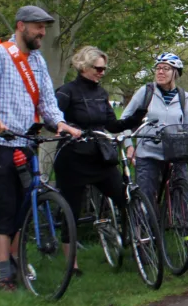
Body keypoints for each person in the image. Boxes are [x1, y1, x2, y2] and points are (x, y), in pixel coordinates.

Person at [0, 6, 82, 291]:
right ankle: (4, 276)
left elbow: (47, 102)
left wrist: (60, 124)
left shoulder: (38, 61)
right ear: (21, 26)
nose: (42, 32)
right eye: (37, 27)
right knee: (3, 208)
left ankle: (15, 263)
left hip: (26, 143)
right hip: (0, 144)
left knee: (22, 207)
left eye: (44, 27)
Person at [54, 46, 145, 275]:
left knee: (124, 197)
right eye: (98, 68)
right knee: (71, 211)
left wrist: (135, 118)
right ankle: (71, 265)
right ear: (83, 67)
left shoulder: (101, 93)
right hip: (73, 158)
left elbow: (111, 124)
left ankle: (132, 245)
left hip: (100, 156)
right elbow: (52, 119)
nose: (102, 73)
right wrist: (68, 130)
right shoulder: (67, 92)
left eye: (104, 69)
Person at [120, 52, 188, 206]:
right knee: (146, 196)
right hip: (148, 152)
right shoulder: (146, 92)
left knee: (182, 194)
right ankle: (144, 227)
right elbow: (124, 119)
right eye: (158, 68)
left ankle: (185, 227)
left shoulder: (183, 97)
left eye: (166, 68)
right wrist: (129, 145)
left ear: (175, 73)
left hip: (175, 152)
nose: (160, 72)